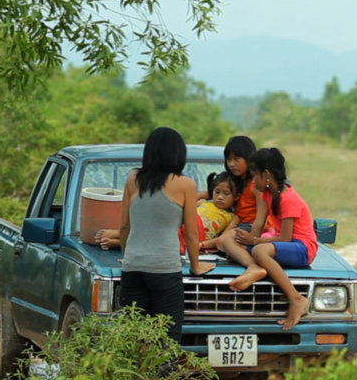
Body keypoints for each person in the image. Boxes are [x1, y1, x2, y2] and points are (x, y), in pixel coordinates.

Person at [118, 126, 214, 343]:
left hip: (133, 267)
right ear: (178, 154)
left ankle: (136, 377)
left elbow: (124, 226)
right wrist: (195, 265)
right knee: (167, 339)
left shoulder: (133, 178)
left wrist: (128, 256)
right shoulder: (185, 184)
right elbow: (191, 233)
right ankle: (162, 377)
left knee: (135, 336)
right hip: (164, 270)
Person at [223, 147, 317, 331]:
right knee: (228, 239)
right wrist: (248, 237)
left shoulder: (288, 197)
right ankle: (255, 267)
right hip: (279, 244)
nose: (251, 180)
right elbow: (258, 225)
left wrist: (254, 242)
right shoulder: (267, 194)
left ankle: (296, 299)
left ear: (266, 175)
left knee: (260, 250)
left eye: (254, 175)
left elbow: (285, 237)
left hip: (302, 247)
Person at [199, 170, 239, 251]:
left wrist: (201, 245)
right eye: (217, 192)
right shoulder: (202, 202)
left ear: (237, 197)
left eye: (226, 193)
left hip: (198, 238)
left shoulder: (232, 217)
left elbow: (222, 238)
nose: (220, 197)